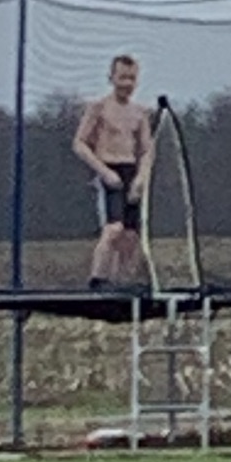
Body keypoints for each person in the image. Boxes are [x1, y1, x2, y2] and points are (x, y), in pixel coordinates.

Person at [72, 54, 154, 289]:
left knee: (131, 234)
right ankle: (97, 278)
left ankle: (123, 281)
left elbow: (147, 150)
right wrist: (104, 171)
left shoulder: (140, 113)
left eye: (132, 78)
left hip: (131, 171)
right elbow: (79, 143)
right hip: (109, 170)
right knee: (113, 228)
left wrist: (141, 178)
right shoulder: (99, 108)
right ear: (111, 78)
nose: (127, 84)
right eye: (122, 78)